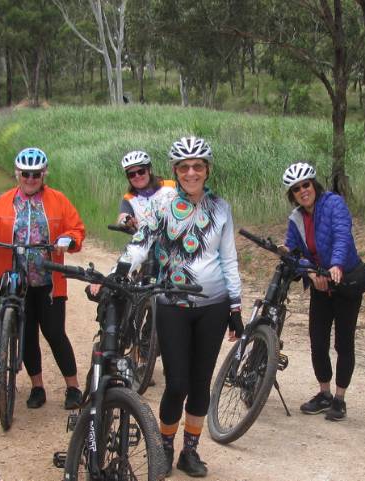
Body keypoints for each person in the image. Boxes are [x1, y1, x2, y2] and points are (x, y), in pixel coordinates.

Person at [118, 136, 244, 477]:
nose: (191, 172)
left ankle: (190, 450)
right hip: (172, 302)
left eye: (198, 166)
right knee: (177, 384)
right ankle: (164, 446)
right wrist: (117, 273)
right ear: (175, 171)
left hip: (214, 305)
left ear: (207, 170)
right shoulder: (162, 206)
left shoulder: (221, 208)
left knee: (200, 383)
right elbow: (140, 244)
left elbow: (229, 258)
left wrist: (235, 305)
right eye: (184, 167)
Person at [0, 147, 86, 410]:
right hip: (14, 282)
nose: (30, 179)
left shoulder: (58, 200)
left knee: (55, 333)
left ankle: (73, 387)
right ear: (17, 173)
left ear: (44, 174)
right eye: (25, 174)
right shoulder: (3, 202)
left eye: (35, 174)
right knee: (28, 335)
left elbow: (76, 229)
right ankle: (37, 387)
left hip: (48, 282)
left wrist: (68, 240)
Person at [281, 162, 365, 421]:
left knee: (343, 342)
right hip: (319, 285)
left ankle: (339, 399)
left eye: (305, 185)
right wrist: (309, 271)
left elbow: (342, 236)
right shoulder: (296, 218)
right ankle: (324, 393)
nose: (303, 191)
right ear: (292, 195)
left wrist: (336, 265)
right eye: (296, 189)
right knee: (318, 341)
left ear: (314, 184)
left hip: (345, 281)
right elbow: (293, 252)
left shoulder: (334, 204)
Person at [115, 150, 177, 230]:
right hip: (146, 240)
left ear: (149, 170)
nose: (137, 176)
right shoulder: (129, 198)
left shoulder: (171, 186)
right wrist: (126, 220)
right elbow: (122, 216)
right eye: (132, 174)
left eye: (141, 171)